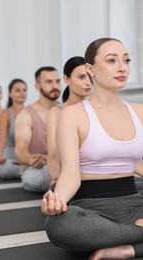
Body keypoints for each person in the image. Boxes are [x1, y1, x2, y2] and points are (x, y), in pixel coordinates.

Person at [41, 38, 143, 259]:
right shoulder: (71, 115)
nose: (122, 67)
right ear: (90, 69)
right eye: (111, 60)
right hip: (90, 208)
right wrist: (58, 200)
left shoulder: (139, 112)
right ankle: (138, 234)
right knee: (58, 226)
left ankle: (127, 249)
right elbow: (70, 173)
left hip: (134, 202)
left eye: (126, 60)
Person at [47, 56, 92, 190]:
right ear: (66, 79)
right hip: (68, 174)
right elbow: (54, 154)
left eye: (90, 77)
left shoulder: (95, 110)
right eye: (81, 77)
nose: (88, 83)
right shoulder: (56, 113)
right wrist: (56, 178)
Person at [15, 66, 61, 192]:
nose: (55, 85)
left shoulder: (66, 110)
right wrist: (30, 159)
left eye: (57, 81)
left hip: (63, 166)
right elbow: (20, 148)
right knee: (46, 177)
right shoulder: (26, 115)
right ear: (37, 86)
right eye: (49, 82)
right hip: (38, 169)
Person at [0, 79, 27, 179]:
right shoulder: (6, 113)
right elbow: (1, 138)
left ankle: (26, 170)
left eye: (24, 90)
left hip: (28, 154)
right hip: (11, 155)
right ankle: (27, 172)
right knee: (4, 168)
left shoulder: (31, 111)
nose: (22, 93)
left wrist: (27, 159)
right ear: (10, 94)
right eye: (18, 90)